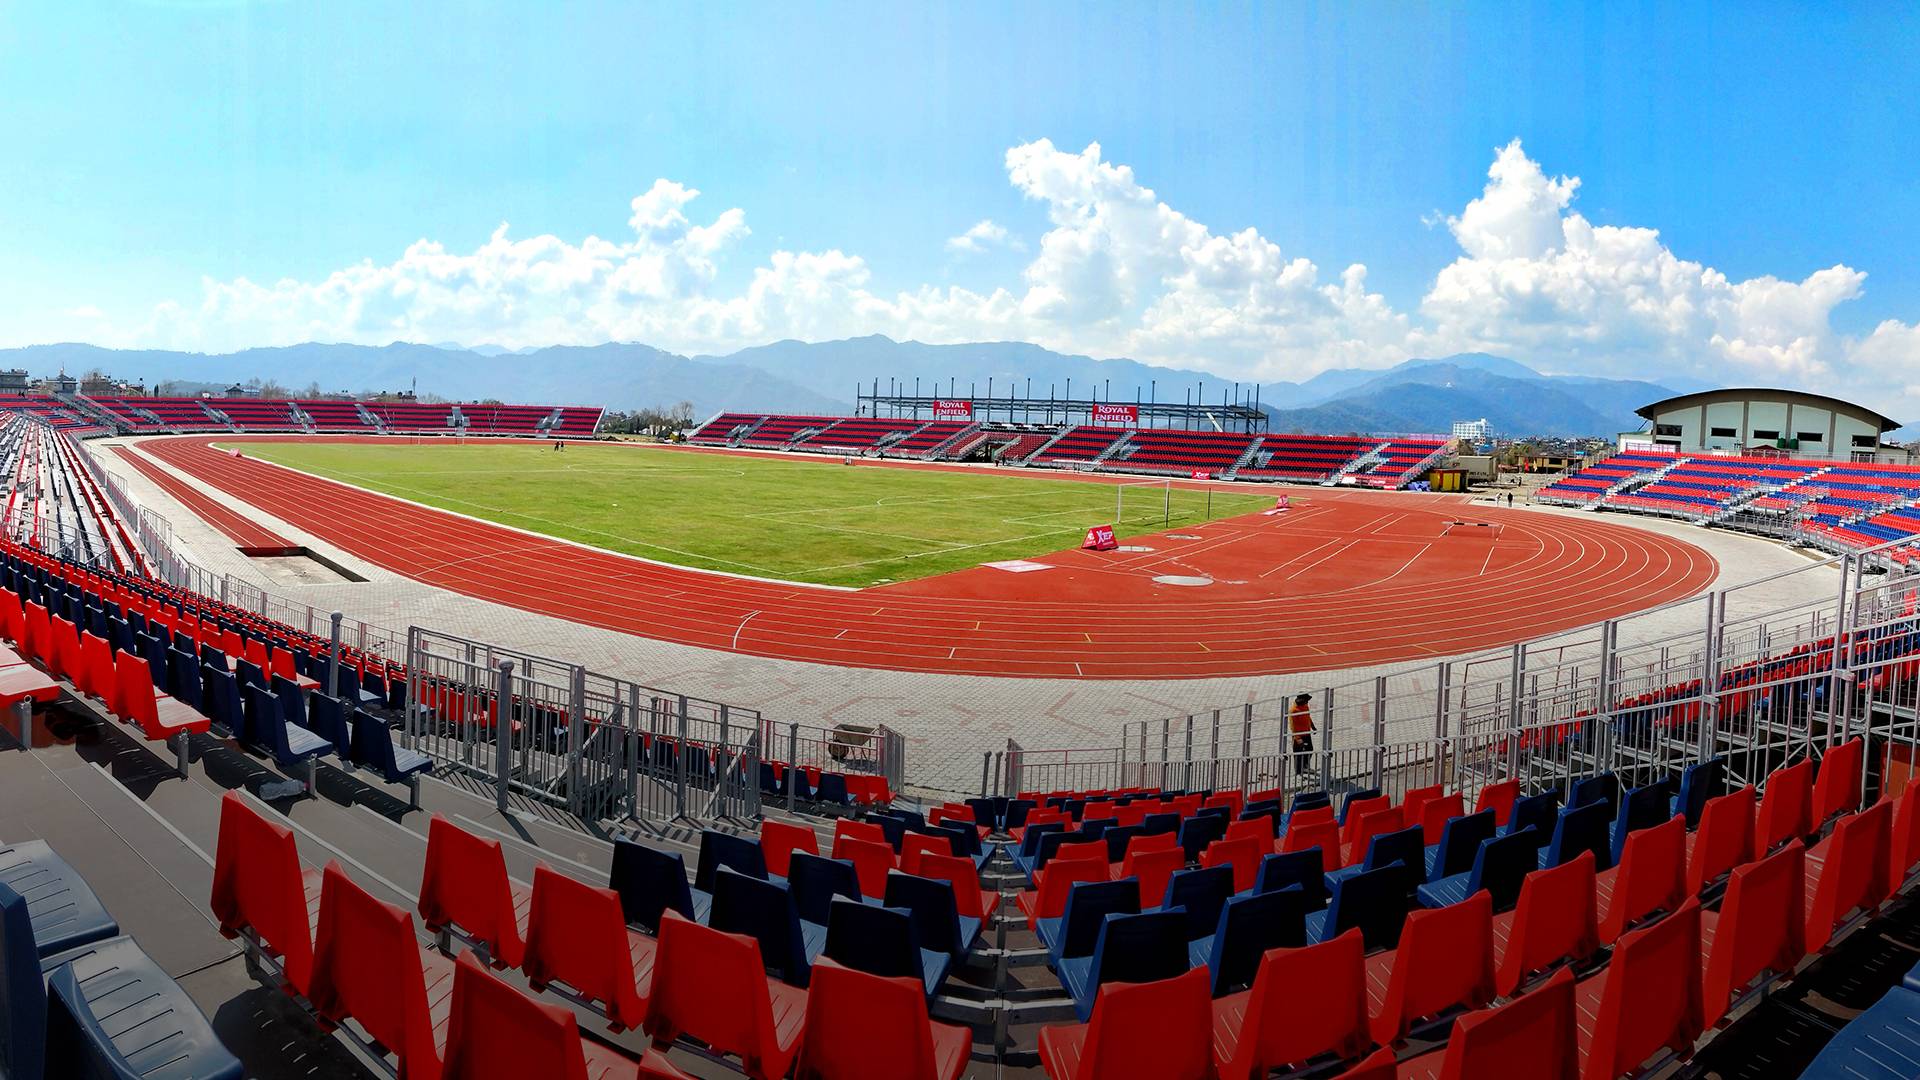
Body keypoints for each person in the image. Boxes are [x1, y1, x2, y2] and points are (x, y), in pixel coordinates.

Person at [1288, 692, 1314, 780]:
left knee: (1310, 749)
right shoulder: (1293, 710)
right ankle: (1298, 773)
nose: (1307, 702)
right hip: (1298, 735)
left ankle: (1305, 766)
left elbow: (1308, 717)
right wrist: (1298, 738)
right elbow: (1293, 726)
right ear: (1301, 700)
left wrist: (1312, 726)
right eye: (1306, 700)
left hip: (1307, 733)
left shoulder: (1305, 706)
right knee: (1298, 754)